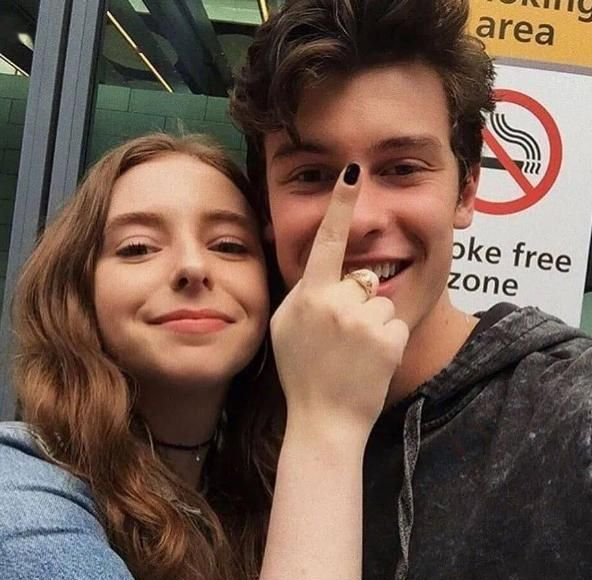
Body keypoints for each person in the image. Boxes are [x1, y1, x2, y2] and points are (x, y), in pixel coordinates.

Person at [230, 1, 592, 579]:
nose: (360, 218)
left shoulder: (569, 418)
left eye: (402, 169)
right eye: (312, 176)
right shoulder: (228, 417)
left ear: (466, 189)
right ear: (266, 207)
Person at [0, 133, 405, 580]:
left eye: (228, 245)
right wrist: (325, 419)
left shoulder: (257, 494)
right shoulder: (17, 487)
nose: (193, 267)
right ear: (77, 293)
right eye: (138, 247)